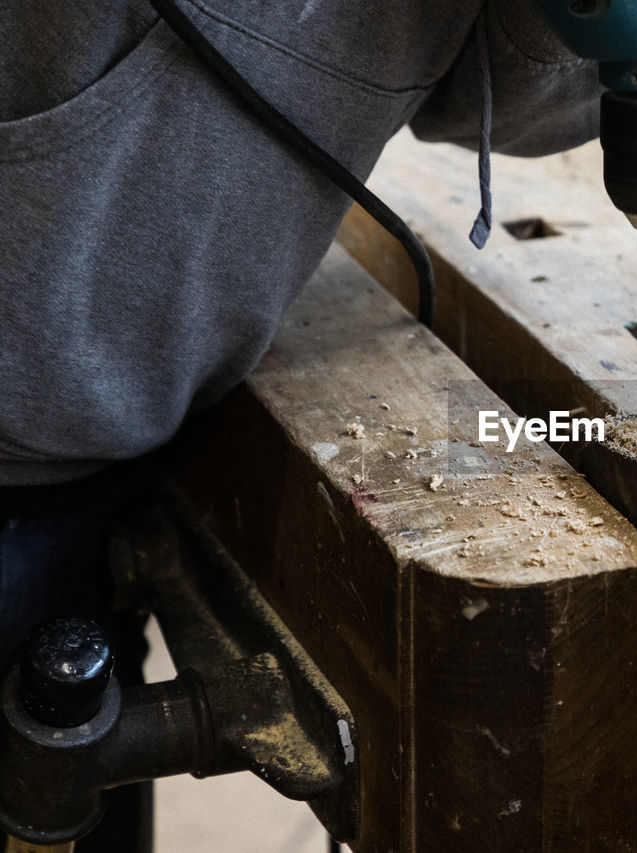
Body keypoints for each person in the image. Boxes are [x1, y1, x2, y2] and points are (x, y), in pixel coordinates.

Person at [0, 0, 600, 845]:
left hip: (106, 430)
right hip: (28, 432)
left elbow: (507, 100)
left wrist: (576, 29)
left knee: (72, 769)